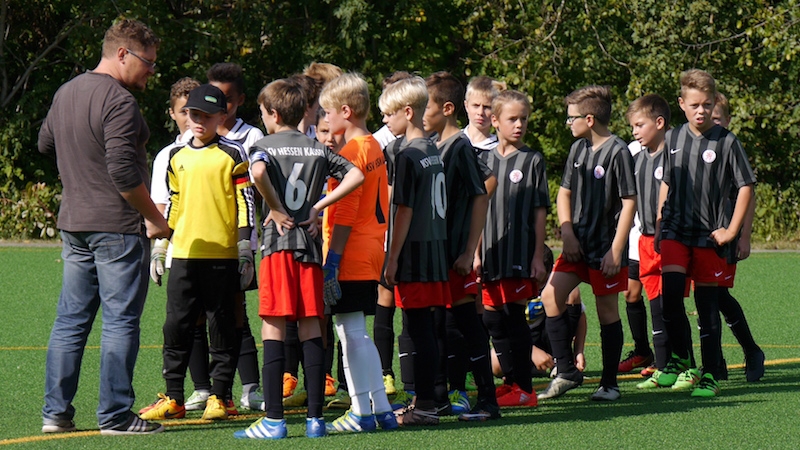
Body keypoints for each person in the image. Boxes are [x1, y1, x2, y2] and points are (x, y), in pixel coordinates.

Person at [38, 19, 169, 435]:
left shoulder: (66, 92)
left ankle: (55, 414)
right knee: (120, 321)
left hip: (75, 222)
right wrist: (157, 220)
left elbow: (45, 144)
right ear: (123, 54)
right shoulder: (118, 100)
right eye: (148, 61)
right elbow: (124, 174)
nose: (152, 71)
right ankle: (115, 416)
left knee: (70, 320)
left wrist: (79, 167)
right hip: (117, 226)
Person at [234, 78, 364, 440]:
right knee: (311, 327)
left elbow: (258, 172)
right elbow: (355, 175)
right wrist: (318, 206)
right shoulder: (316, 148)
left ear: (274, 114)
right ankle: (315, 419)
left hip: (278, 247)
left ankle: (274, 420)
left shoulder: (262, 146)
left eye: (262, 113)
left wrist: (275, 207)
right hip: (309, 249)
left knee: (274, 327)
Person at [140, 84, 254, 422]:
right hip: (184, 255)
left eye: (207, 115)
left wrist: (245, 247)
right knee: (176, 325)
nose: (199, 121)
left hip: (222, 256)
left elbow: (245, 203)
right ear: (185, 116)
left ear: (221, 116)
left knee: (222, 325)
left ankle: (220, 396)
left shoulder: (233, 154)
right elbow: (174, 203)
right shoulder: (176, 156)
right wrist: (161, 245)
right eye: (194, 114)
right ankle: (174, 397)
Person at [655, 69, 756, 397]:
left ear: (714, 104)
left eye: (707, 104)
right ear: (682, 103)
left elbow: (745, 186)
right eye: (695, 104)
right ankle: (683, 357)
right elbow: (667, 182)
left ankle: (711, 373)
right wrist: (659, 221)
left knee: (707, 306)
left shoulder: (726, 141)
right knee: (670, 295)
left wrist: (732, 230)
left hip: (709, 236)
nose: (702, 111)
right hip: (675, 229)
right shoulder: (673, 138)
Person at [539, 85, 636, 402]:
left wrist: (616, 251)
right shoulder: (577, 149)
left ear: (590, 119)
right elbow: (564, 193)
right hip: (576, 245)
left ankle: (609, 384)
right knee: (551, 295)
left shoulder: (618, 151)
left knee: (607, 311)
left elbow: (629, 202)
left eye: (572, 118)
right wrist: (567, 232)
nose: (569, 123)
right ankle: (567, 371)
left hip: (604, 247)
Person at [181, 62, 265, 414]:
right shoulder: (186, 143)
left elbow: (253, 192)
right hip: (196, 246)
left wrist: (245, 241)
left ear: (239, 101)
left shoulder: (250, 138)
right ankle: (203, 388)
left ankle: (248, 387)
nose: (221, 105)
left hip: (234, 244)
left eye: (227, 99)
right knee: (195, 315)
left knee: (234, 314)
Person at [318, 72, 398, 433]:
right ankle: (380, 407)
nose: (325, 119)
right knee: (357, 332)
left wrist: (333, 261)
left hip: (351, 251)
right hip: (371, 248)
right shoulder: (372, 145)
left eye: (328, 112)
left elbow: (346, 212)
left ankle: (361, 411)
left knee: (349, 332)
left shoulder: (351, 152)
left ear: (346, 111)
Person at [421, 71, 501, 420]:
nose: (420, 114)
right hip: (438, 255)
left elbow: (481, 192)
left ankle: (488, 400)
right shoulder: (434, 145)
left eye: (425, 107)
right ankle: (440, 397)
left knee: (469, 324)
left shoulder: (460, 146)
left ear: (447, 108)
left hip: (455, 254)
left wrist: (469, 250)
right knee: (439, 324)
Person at [381, 76, 450, 426]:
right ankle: (427, 401)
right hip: (435, 249)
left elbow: (404, 211)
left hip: (416, 252)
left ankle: (424, 406)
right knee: (426, 329)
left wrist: (392, 258)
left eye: (389, 114)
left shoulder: (408, 155)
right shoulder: (432, 150)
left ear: (408, 112)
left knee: (418, 330)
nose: (384, 121)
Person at [477, 90, 549, 408]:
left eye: (524, 119)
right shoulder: (483, 160)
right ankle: (510, 383)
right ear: (495, 121)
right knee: (493, 319)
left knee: (513, 315)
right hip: (489, 251)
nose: (519, 125)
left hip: (519, 253)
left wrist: (537, 255)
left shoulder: (532, 160)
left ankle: (525, 389)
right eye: (512, 119)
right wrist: (475, 251)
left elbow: (539, 211)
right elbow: (476, 209)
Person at [622, 94, 678, 389]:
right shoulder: (638, 156)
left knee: (668, 305)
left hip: (670, 240)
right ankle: (663, 363)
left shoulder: (674, 154)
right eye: (632, 126)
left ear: (659, 123)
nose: (634, 132)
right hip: (644, 240)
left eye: (639, 125)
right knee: (654, 302)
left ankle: (683, 364)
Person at [710, 92, 765, 383]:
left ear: (728, 120)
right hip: (698, 233)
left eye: (717, 117)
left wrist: (744, 236)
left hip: (725, 234)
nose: (712, 122)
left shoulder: (731, 147)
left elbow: (748, 193)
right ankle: (715, 362)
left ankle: (751, 350)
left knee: (717, 295)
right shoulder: (692, 144)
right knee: (705, 297)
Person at [618, 139, 655, 375]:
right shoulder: (631, 150)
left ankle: (667, 355)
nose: (636, 131)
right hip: (634, 235)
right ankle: (642, 351)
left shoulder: (669, 147)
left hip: (656, 234)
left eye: (640, 124)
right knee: (631, 293)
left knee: (658, 296)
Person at [463, 76, 506, 152]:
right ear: (466, 106)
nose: (480, 112)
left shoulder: (500, 149)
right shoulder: (453, 140)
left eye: (487, 107)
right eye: (476, 106)